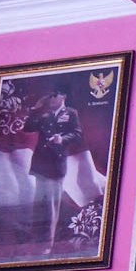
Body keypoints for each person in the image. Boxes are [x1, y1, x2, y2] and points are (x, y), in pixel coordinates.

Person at [22, 81, 81, 253]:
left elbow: (77, 134)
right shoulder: (45, 115)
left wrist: (62, 139)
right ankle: (35, 241)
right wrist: (35, 109)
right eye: (51, 95)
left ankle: (47, 244)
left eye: (55, 95)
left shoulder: (70, 114)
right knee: (39, 204)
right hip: (41, 164)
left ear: (63, 96)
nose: (52, 98)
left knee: (52, 205)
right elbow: (28, 128)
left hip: (56, 164)